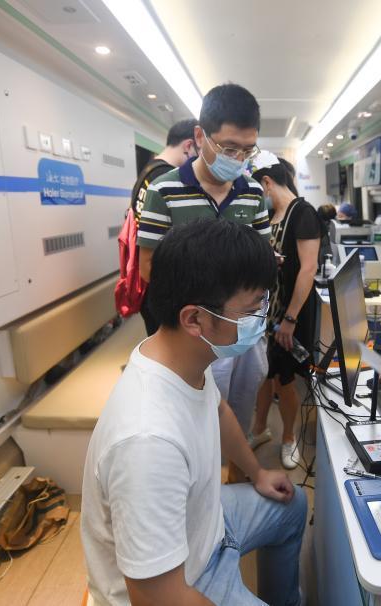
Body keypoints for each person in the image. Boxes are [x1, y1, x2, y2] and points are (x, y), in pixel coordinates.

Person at [82, 219, 307, 606]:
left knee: (293, 504)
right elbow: (161, 599)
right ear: (194, 319)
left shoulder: (182, 359)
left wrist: (256, 473)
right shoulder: (147, 443)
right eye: (252, 309)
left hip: (207, 529)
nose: (261, 319)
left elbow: (216, 409)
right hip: (187, 582)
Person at [137, 83, 270, 435]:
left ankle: (238, 468)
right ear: (200, 137)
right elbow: (149, 268)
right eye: (228, 147)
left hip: (241, 325)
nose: (237, 158)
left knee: (240, 403)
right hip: (195, 330)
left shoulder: (253, 192)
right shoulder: (163, 190)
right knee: (195, 414)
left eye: (247, 150)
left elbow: (262, 264)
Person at [247, 153, 320, 469]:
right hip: (264, 316)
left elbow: (307, 270)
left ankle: (289, 437)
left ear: (266, 182)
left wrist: (289, 319)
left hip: (289, 315)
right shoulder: (269, 215)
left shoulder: (302, 213)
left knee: (284, 381)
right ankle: (259, 429)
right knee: (262, 376)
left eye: (257, 189)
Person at [128, 118, 199, 335]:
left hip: (151, 279)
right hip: (163, 282)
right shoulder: (165, 180)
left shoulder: (147, 172)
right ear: (189, 145)